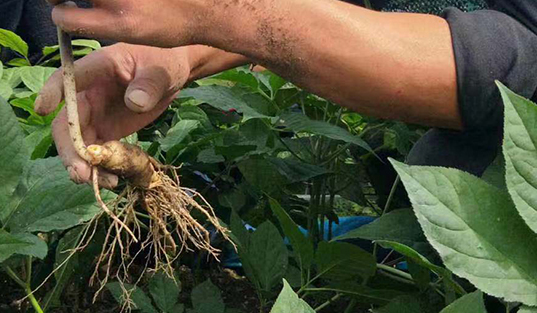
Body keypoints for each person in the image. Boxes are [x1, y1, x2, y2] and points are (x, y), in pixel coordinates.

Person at [34, 0, 537, 189]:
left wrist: (215, 13)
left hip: (510, 221)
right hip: (428, 198)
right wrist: (179, 55)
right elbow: (326, 9)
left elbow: (515, 66)